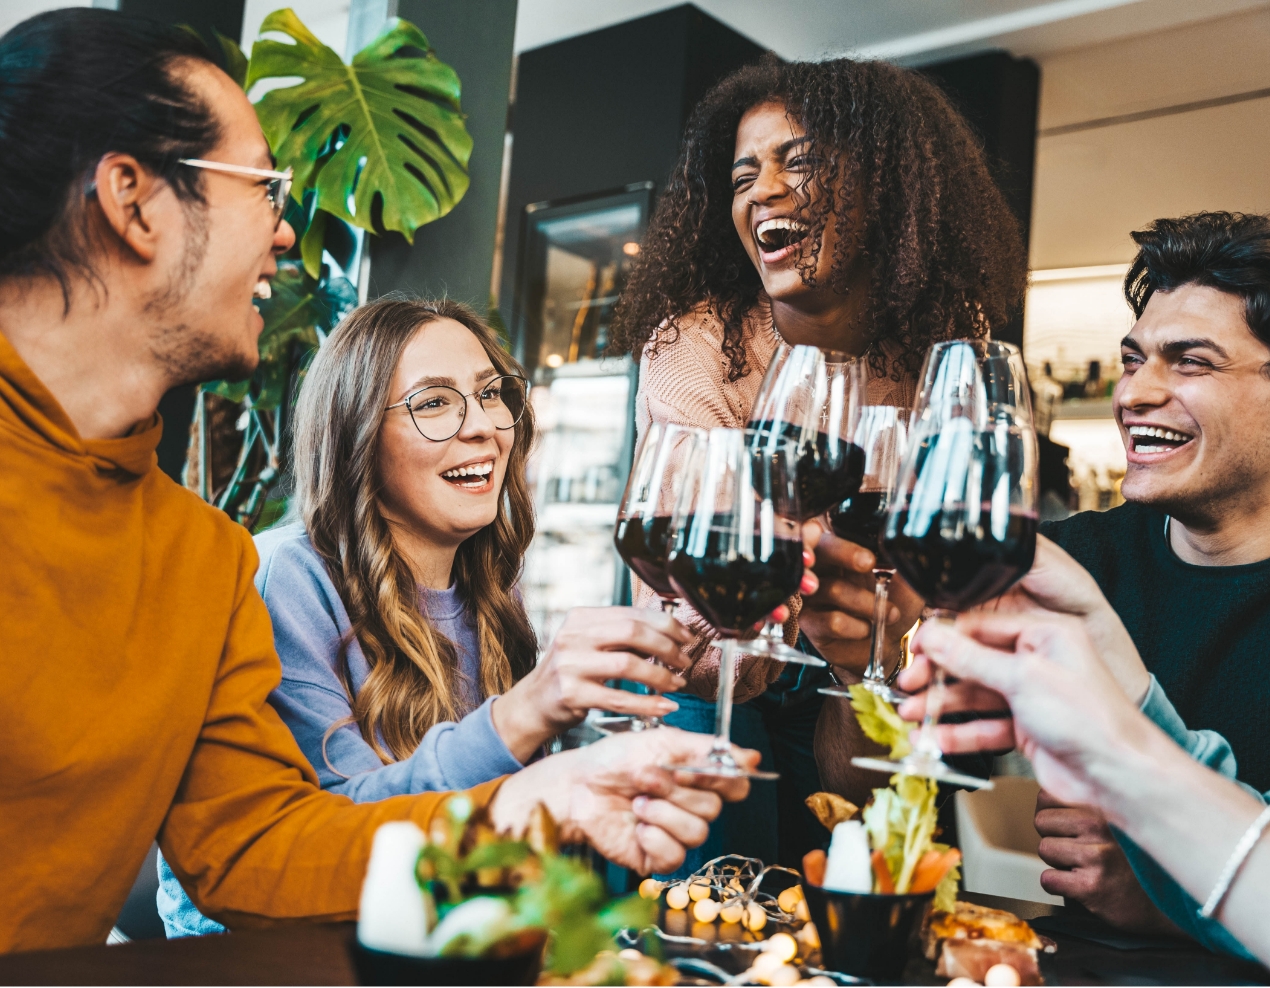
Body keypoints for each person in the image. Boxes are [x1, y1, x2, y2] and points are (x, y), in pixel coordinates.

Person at [0, 10, 755, 953]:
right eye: (263, 187)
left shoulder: (201, 559)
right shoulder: (275, 571)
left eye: (491, 396)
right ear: (133, 199)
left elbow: (256, 846)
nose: (284, 233)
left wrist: (528, 803)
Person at [158, 297, 698, 936]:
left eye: (491, 394)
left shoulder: (490, 586)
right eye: (435, 402)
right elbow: (323, 845)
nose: (483, 427)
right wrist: (521, 715)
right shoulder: (287, 577)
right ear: (356, 432)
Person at [608, 56, 1026, 867]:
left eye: (798, 161)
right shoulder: (698, 345)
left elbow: (936, 622)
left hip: (874, 683)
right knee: (708, 757)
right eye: (742, 175)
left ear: (888, 185)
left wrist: (877, 648)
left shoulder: (947, 350)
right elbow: (693, 648)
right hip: (719, 680)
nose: (762, 189)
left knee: (873, 857)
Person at [1005, 212, 1270, 946]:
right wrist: (860, 659)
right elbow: (881, 781)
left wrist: (1164, 893)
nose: (1135, 394)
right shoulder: (1065, 564)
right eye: (1132, 360)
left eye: (1190, 362)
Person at [897, 612, 1270, 966]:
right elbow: (901, 779)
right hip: (1074, 965)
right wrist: (869, 666)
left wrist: (1164, 889)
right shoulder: (1067, 560)